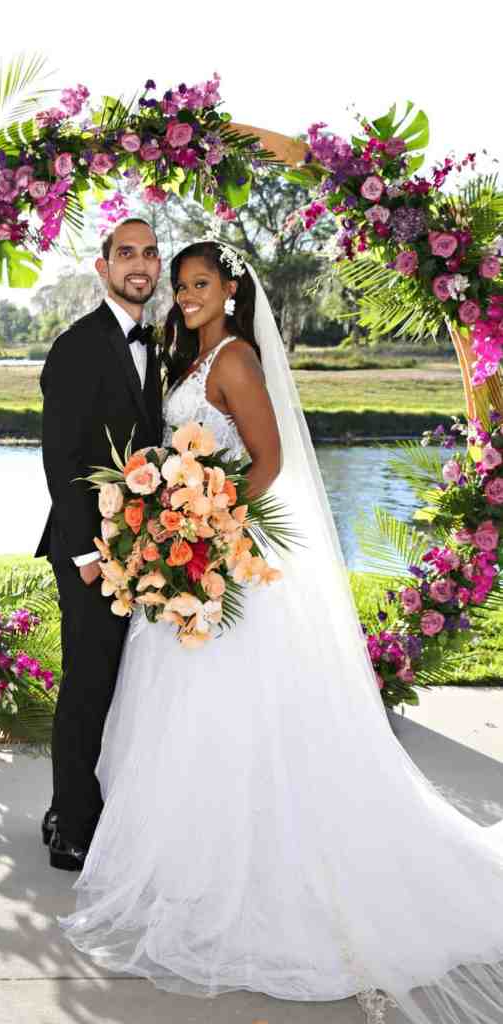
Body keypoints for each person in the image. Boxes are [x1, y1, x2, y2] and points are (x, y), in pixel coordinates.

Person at [57, 240, 503, 1024]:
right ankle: (187, 863)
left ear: (231, 290)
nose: (186, 295)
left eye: (201, 283)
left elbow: (267, 460)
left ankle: (255, 864)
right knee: (181, 715)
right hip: (192, 553)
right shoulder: (186, 360)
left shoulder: (234, 360)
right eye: (180, 284)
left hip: (226, 554)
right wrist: (169, 520)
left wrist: (213, 522)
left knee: (235, 711)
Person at [35, 218, 163, 870]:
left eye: (150, 253)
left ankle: (84, 805)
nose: (139, 264)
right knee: (87, 684)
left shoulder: (161, 344)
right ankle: (70, 825)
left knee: (125, 683)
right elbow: (60, 457)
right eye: (126, 253)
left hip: (145, 547)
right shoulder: (76, 345)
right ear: (103, 266)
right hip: (88, 552)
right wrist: (88, 554)